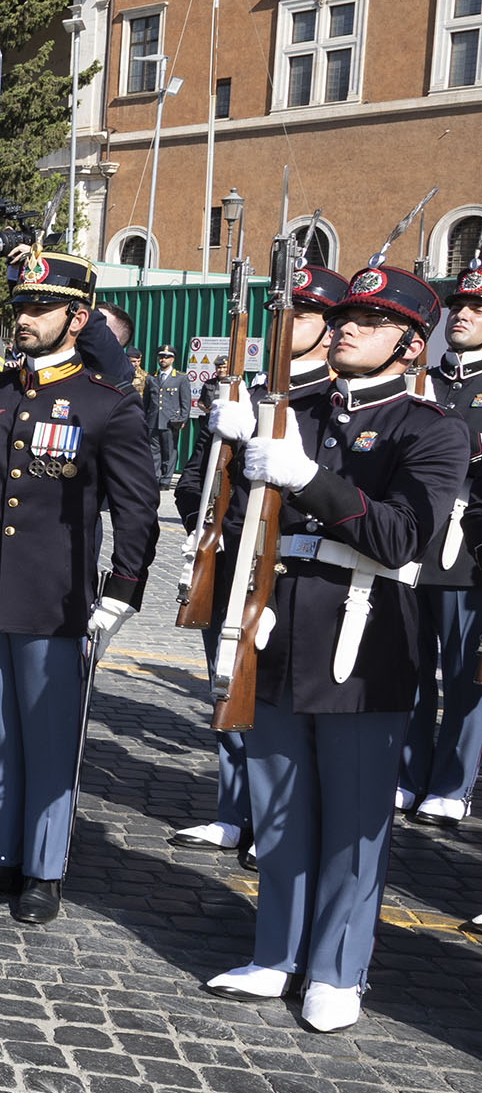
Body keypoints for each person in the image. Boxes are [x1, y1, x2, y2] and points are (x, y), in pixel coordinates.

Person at [199, 264, 464, 1032]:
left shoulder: (432, 428)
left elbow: (399, 535)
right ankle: (276, 952)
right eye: (345, 314)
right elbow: (244, 516)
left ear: (411, 345)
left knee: (352, 818)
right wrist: (231, 445)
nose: (346, 325)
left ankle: (339, 968)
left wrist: (311, 478)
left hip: (365, 636)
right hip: (282, 626)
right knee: (280, 808)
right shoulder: (300, 406)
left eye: (370, 320)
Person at [0, 251, 160, 924]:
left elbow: (137, 507)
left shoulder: (105, 405)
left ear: (76, 317)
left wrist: (123, 589)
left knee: (49, 735)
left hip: (56, 595)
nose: (23, 318)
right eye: (20, 306)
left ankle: (44, 868)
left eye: (40, 307)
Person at [171, 262, 348, 861]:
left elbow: (333, 488)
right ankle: (233, 810)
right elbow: (194, 479)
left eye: (300, 313)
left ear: (328, 329)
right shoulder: (241, 392)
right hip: (232, 559)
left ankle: (280, 823)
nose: (283, 322)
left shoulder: (334, 399)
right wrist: (214, 520)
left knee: (283, 706)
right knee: (229, 680)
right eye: (279, 311)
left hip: (288, 566)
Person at [401, 261, 482, 827]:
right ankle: (407, 771)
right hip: (413, 538)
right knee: (406, 664)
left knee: (462, 671)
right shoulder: (425, 379)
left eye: (476, 310)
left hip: (468, 543)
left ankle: (454, 782)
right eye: (458, 307)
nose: (463, 315)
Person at [150, 347, 193, 484]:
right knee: (154, 451)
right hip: (153, 420)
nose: (163, 359)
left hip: (171, 421)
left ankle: (166, 479)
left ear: (172, 359)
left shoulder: (181, 378)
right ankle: (155, 477)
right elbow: (147, 401)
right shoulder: (151, 377)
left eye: (166, 357)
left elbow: (185, 402)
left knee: (169, 450)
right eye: (161, 356)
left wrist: (182, 419)